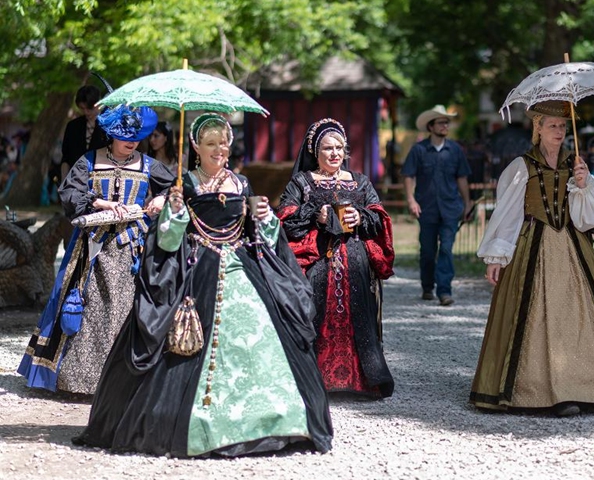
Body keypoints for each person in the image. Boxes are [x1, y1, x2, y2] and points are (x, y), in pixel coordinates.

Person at [73, 113, 333, 457]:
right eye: (211, 144)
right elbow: (166, 243)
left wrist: (266, 220)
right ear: (196, 146)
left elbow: (260, 238)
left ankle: (275, 422)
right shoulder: (186, 185)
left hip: (243, 269)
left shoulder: (241, 184)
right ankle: (194, 424)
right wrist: (174, 216)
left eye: (223, 143)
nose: (219, 150)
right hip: (195, 273)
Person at [469, 101, 594, 417]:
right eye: (552, 126)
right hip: (532, 245)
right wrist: (496, 255)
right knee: (534, 315)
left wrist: (583, 186)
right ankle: (534, 390)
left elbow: (592, 218)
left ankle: (588, 387)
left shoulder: (576, 166)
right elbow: (507, 214)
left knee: (578, 317)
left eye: (563, 127)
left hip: (572, 249)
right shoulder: (522, 167)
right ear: (538, 128)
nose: (559, 132)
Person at [18, 104, 173, 394]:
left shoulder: (148, 165)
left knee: (126, 309)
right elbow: (70, 194)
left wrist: (163, 199)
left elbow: (174, 188)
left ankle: (124, 383)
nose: (132, 141)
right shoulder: (89, 161)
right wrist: (101, 202)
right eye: (125, 135)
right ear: (112, 135)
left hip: (132, 249)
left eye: (137, 136)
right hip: (91, 249)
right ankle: (78, 380)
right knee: (84, 304)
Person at [277, 118, 395, 399]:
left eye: (340, 147)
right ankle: (313, 380)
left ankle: (362, 381)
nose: (335, 153)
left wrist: (361, 216)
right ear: (315, 152)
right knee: (315, 313)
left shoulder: (360, 182)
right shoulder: (302, 182)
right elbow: (284, 217)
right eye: (328, 148)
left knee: (359, 315)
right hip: (317, 262)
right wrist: (315, 215)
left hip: (355, 260)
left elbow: (380, 217)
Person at [402, 105, 472, 306]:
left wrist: (467, 203)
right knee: (427, 250)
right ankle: (427, 287)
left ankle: (444, 291)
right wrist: (411, 200)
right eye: (441, 122)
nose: (445, 125)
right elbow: (408, 176)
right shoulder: (419, 150)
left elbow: (462, 178)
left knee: (447, 249)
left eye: (446, 122)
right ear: (431, 126)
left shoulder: (455, 150)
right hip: (427, 209)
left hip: (451, 208)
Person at [61, 85, 108, 182]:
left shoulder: (108, 126)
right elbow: (66, 158)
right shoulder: (73, 126)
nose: (86, 112)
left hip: (100, 182)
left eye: (90, 108)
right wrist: (64, 182)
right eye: (82, 108)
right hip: (75, 182)